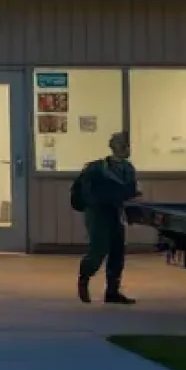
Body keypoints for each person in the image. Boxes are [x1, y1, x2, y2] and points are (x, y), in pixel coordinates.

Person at [75, 131, 141, 305]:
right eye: (123, 145)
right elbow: (86, 192)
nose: (126, 148)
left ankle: (112, 291)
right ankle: (84, 279)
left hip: (115, 212)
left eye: (126, 144)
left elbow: (130, 191)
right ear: (115, 147)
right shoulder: (97, 168)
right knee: (98, 249)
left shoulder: (127, 169)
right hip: (98, 213)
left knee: (117, 251)